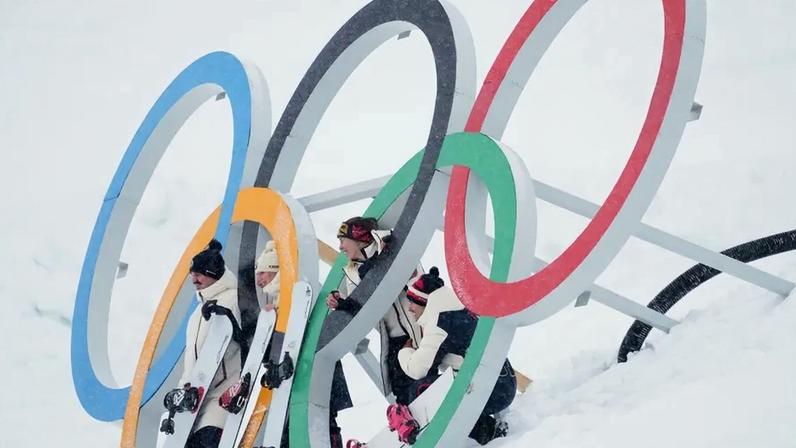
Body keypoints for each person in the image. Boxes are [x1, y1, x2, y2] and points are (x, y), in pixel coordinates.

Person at [396, 267, 515, 446]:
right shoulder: (458, 309)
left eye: (412, 302)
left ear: (424, 302)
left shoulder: (440, 321)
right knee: (440, 384)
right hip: (502, 382)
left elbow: (417, 369)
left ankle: (485, 431)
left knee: (422, 389)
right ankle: (487, 430)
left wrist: (405, 352)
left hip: (492, 391)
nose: (410, 309)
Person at [326, 216, 422, 405]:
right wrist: (342, 303)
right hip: (395, 341)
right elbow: (361, 311)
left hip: (421, 328)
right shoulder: (353, 273)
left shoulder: (390, 243)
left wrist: (376, 264)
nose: (340, 247)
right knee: (404, 394)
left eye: (343, 240)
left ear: (358, 237)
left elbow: (413, 278)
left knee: (429, 381)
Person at [177, 239, 243, 448]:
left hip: (222, 392)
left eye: (199, 274)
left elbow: (245, 333)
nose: (194, 280)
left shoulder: (233, 298)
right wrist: (183, 388)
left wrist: (227, 317)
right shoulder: (197, 313)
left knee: (207, 442)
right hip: (196, 398)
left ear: (213, 274)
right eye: (192, 274)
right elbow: (191, 358)